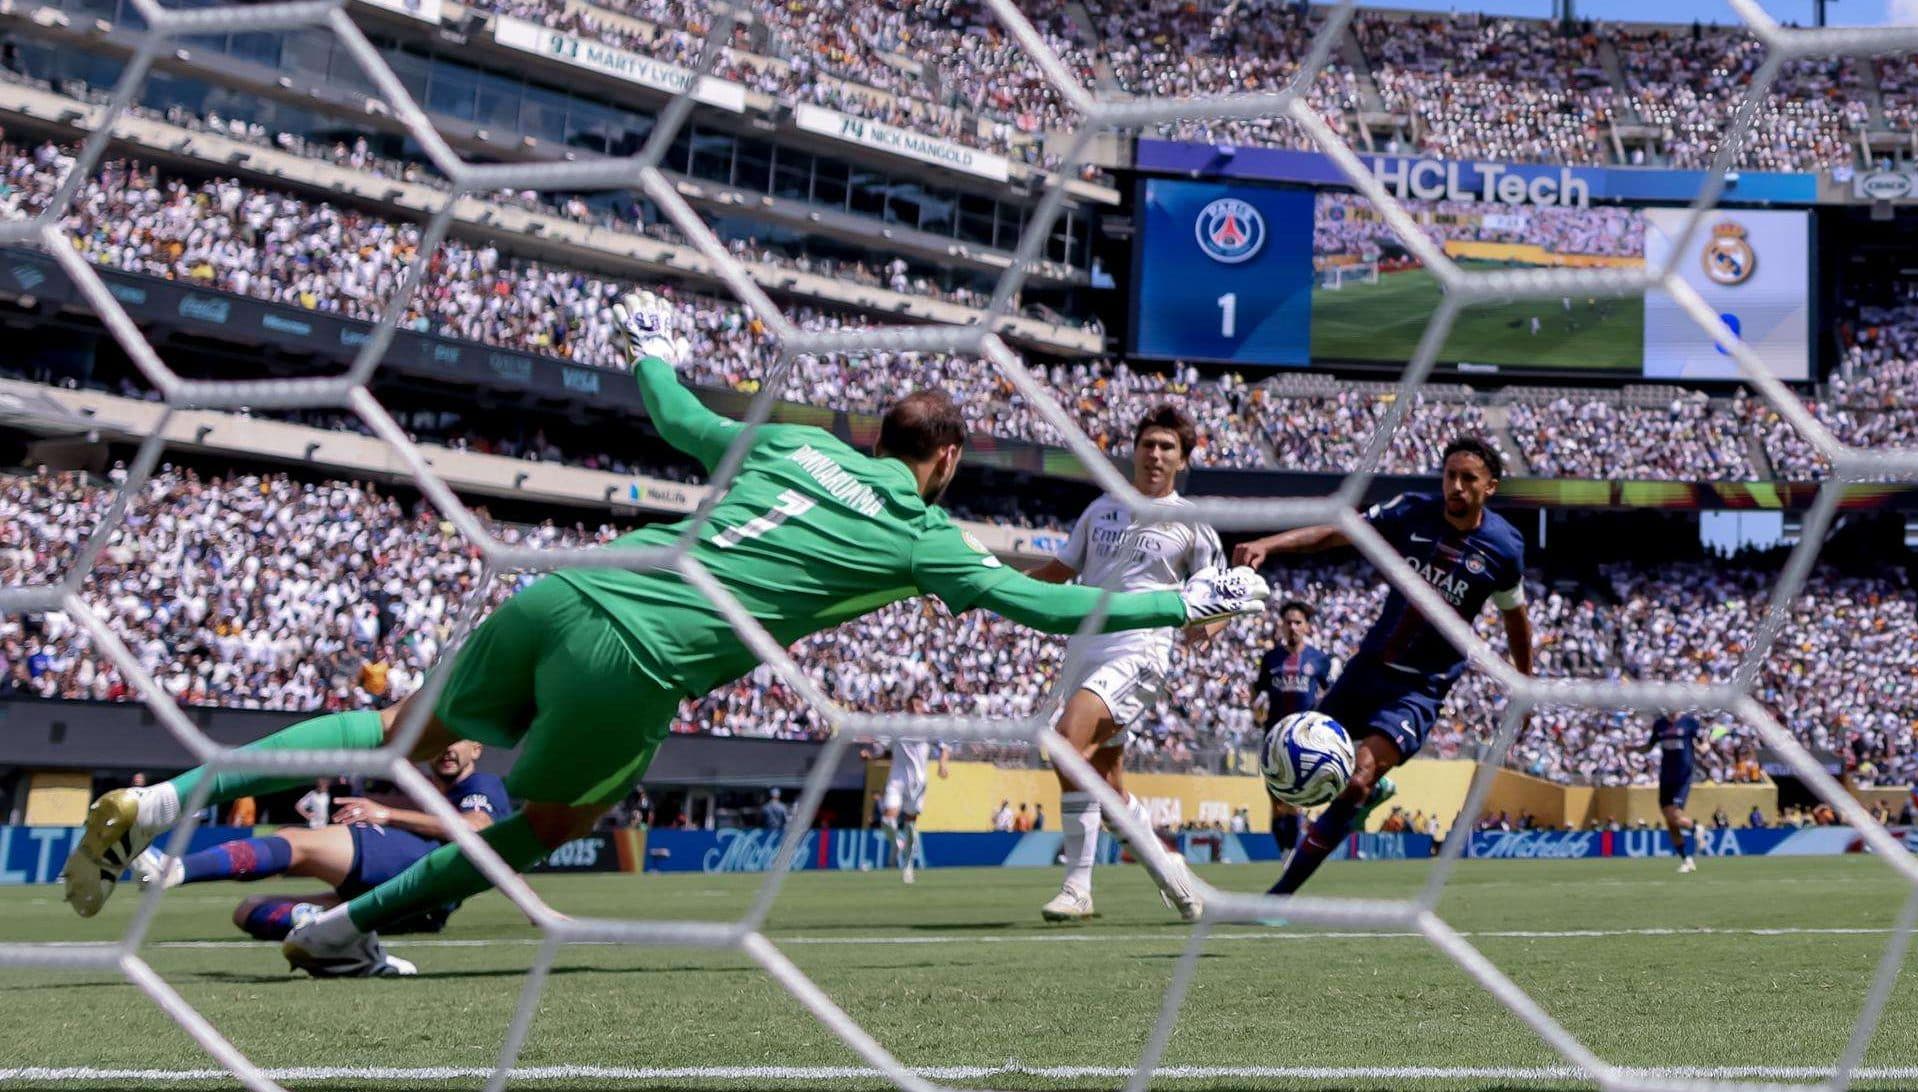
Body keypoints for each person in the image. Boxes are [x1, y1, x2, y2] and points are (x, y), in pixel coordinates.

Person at [60, 292, 1270, 977]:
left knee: (396, 729)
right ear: (945, 459)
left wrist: (648, 343)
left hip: (564, 591)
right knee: (551, 822)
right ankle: (339, 933)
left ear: (875, 434)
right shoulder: (924, 535)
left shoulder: (795, 444)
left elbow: (678, 415)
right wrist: (1187, 604)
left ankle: (164, 798)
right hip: (636, 663)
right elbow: (1047, 605)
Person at [1236, 438, 1532, 900]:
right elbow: (1339, 531)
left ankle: (1279, 897)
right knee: (1291, 766)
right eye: (1450, 475)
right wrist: (1268, 545)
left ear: (1490, 487)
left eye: (1468, 478)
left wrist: (1524, 684)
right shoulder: (1411, 511)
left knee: (1358, 778)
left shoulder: (1504, 547)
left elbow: (1515, 618)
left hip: (1419, 690)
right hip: (1366, 671)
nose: (1456, 486)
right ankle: (1360, 801)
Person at [1028, 405, 1225, 923]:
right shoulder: (1100, 511)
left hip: (1139, 652)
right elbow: (1060, 569)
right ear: (1134, 452)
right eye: (1148, 444)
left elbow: (1223, 591)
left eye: (1167, 447)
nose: (1155, 454)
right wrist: (993, 585)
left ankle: (1077, 886)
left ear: (1182, 461)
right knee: (1106, 783)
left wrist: (1210, 626)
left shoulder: (1190, 522)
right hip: (1084, 652)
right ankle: (1170, 870)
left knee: (1066, 740)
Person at [131, 742, 507, 945]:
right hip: (416, 904)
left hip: (421, 872)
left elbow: (475, 827)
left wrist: (387, 814)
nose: (446, 749)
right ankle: (319, 925)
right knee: (249, 911)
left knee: (296, 843)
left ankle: (175, 869)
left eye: (457, 741)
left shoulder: (482, 785)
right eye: (441, 740)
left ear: (477, 749)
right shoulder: (432, 792)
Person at [1252, 600, 1337, 866]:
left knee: (1293, 798)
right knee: (1276, 800)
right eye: (1288, 622)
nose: (1293, 627)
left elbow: (1331, 693)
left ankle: (1291, 851)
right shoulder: (1271, 659)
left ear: (1307, 627)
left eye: (1298, 622)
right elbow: (1258, 692)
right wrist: (1256, 711)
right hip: (1273, 736)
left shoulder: (1318, 660)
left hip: (1303, 739)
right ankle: (1284, 853)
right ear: (1281, 626)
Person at [862, 726, 948, 884]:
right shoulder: (897, 726)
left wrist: (942, 764)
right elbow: (882, 749)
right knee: (887, 820)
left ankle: (908, 867)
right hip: (897, 780)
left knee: (910, 827)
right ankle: (896, 844)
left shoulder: (928, 728)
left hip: (918, 783)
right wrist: (870, 754)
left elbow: (944, 747)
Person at [1647, 713, 1702, 873]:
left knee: (1675, 816)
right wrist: (1632, 748)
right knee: (1670, 822)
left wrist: (1704, 747)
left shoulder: (1689, 722)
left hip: (1682, 777)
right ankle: (1686, 860)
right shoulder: (1660, 724)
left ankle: (1696, 828)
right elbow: (1649, 746)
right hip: (1666, 777)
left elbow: (1702, 744)